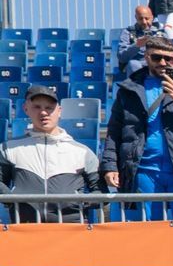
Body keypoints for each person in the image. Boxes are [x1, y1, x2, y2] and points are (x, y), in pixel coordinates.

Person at [103, 37, 173, 220]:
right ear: (146, 57)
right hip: (143, 170)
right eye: (156, 57)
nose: (163, 63)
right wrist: (110, 166)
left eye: (168, 59)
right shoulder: (128, 90)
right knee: (149, 232)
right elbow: (114, 132)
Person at [1, 87, 105, 224]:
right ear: (26, 109)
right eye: (37, 107)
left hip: (70, 230)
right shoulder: (9, 148)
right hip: (25, 229)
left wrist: (80, 202)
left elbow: (101, 192)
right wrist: (12, 200)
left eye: (49, 108)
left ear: (59, 111)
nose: (43, 112)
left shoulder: (82, 151)